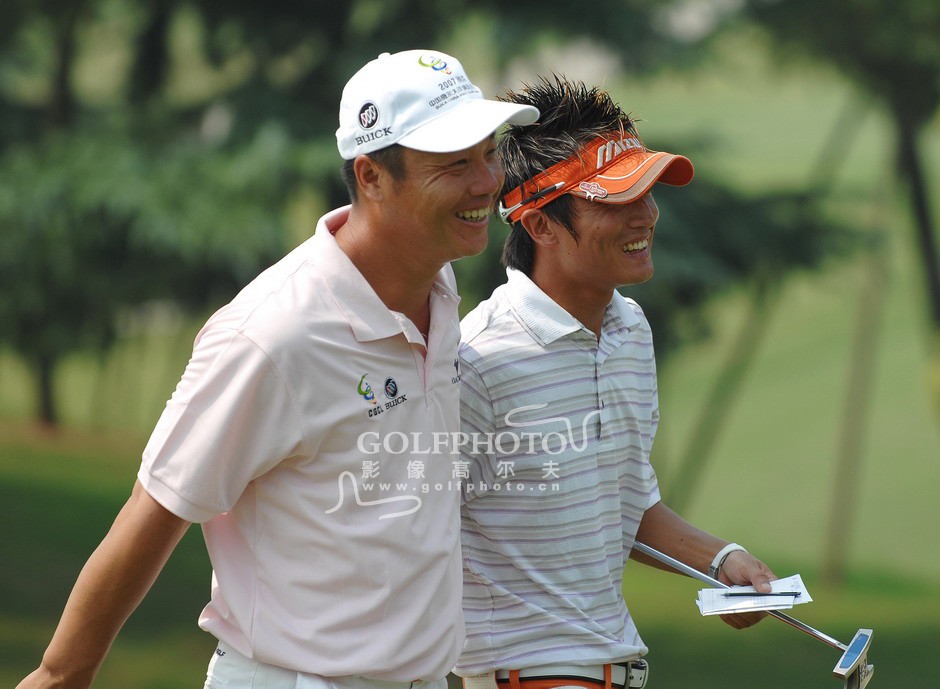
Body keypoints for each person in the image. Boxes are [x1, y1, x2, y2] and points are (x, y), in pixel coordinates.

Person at [16, 50, 538, 689]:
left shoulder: (439, 288)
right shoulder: (274, 334)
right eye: (454, 164)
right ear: (372, 176)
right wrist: (59, 675)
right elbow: (157, 508)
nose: (487, 182)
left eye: (489, 153)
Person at [452, 76, 776, 689]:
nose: (647, 215)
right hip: (526, 672)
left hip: (612, 667)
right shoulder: (478, 359)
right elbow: (414, 527)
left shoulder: (630, 329)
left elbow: (621, 500)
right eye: (615, 201)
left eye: (647, 193)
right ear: (541, 224)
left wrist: (720, 561)